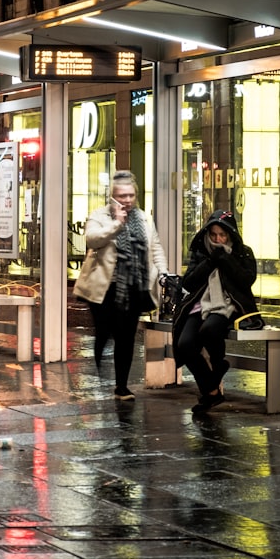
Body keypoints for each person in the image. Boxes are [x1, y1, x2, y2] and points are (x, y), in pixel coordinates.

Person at [73, 170, 168, 400]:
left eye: (131, 195)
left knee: (126, 337)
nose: (127, 200)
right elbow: (92, 239)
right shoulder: (99, 216)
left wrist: (163, 273)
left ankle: (122, 386)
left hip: (134, 286)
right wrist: (117, 224)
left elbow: (155, 247)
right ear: (112, 196)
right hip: (106, 287)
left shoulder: (144, 218)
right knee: (105, 330)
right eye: (122, 195)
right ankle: (98, 361)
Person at [172, 210, 261, 415]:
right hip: (200, 305)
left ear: (230, 234)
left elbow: (246, 280)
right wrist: (211, 261)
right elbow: (189, 282)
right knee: (184, 344)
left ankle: (213, 378)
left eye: (222, 235)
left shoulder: (242, 252)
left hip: (228, 305)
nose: (218, 239)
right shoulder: (201, 251)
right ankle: (212, 389)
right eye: (214, 235)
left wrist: (225, 260)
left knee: (209, 330)